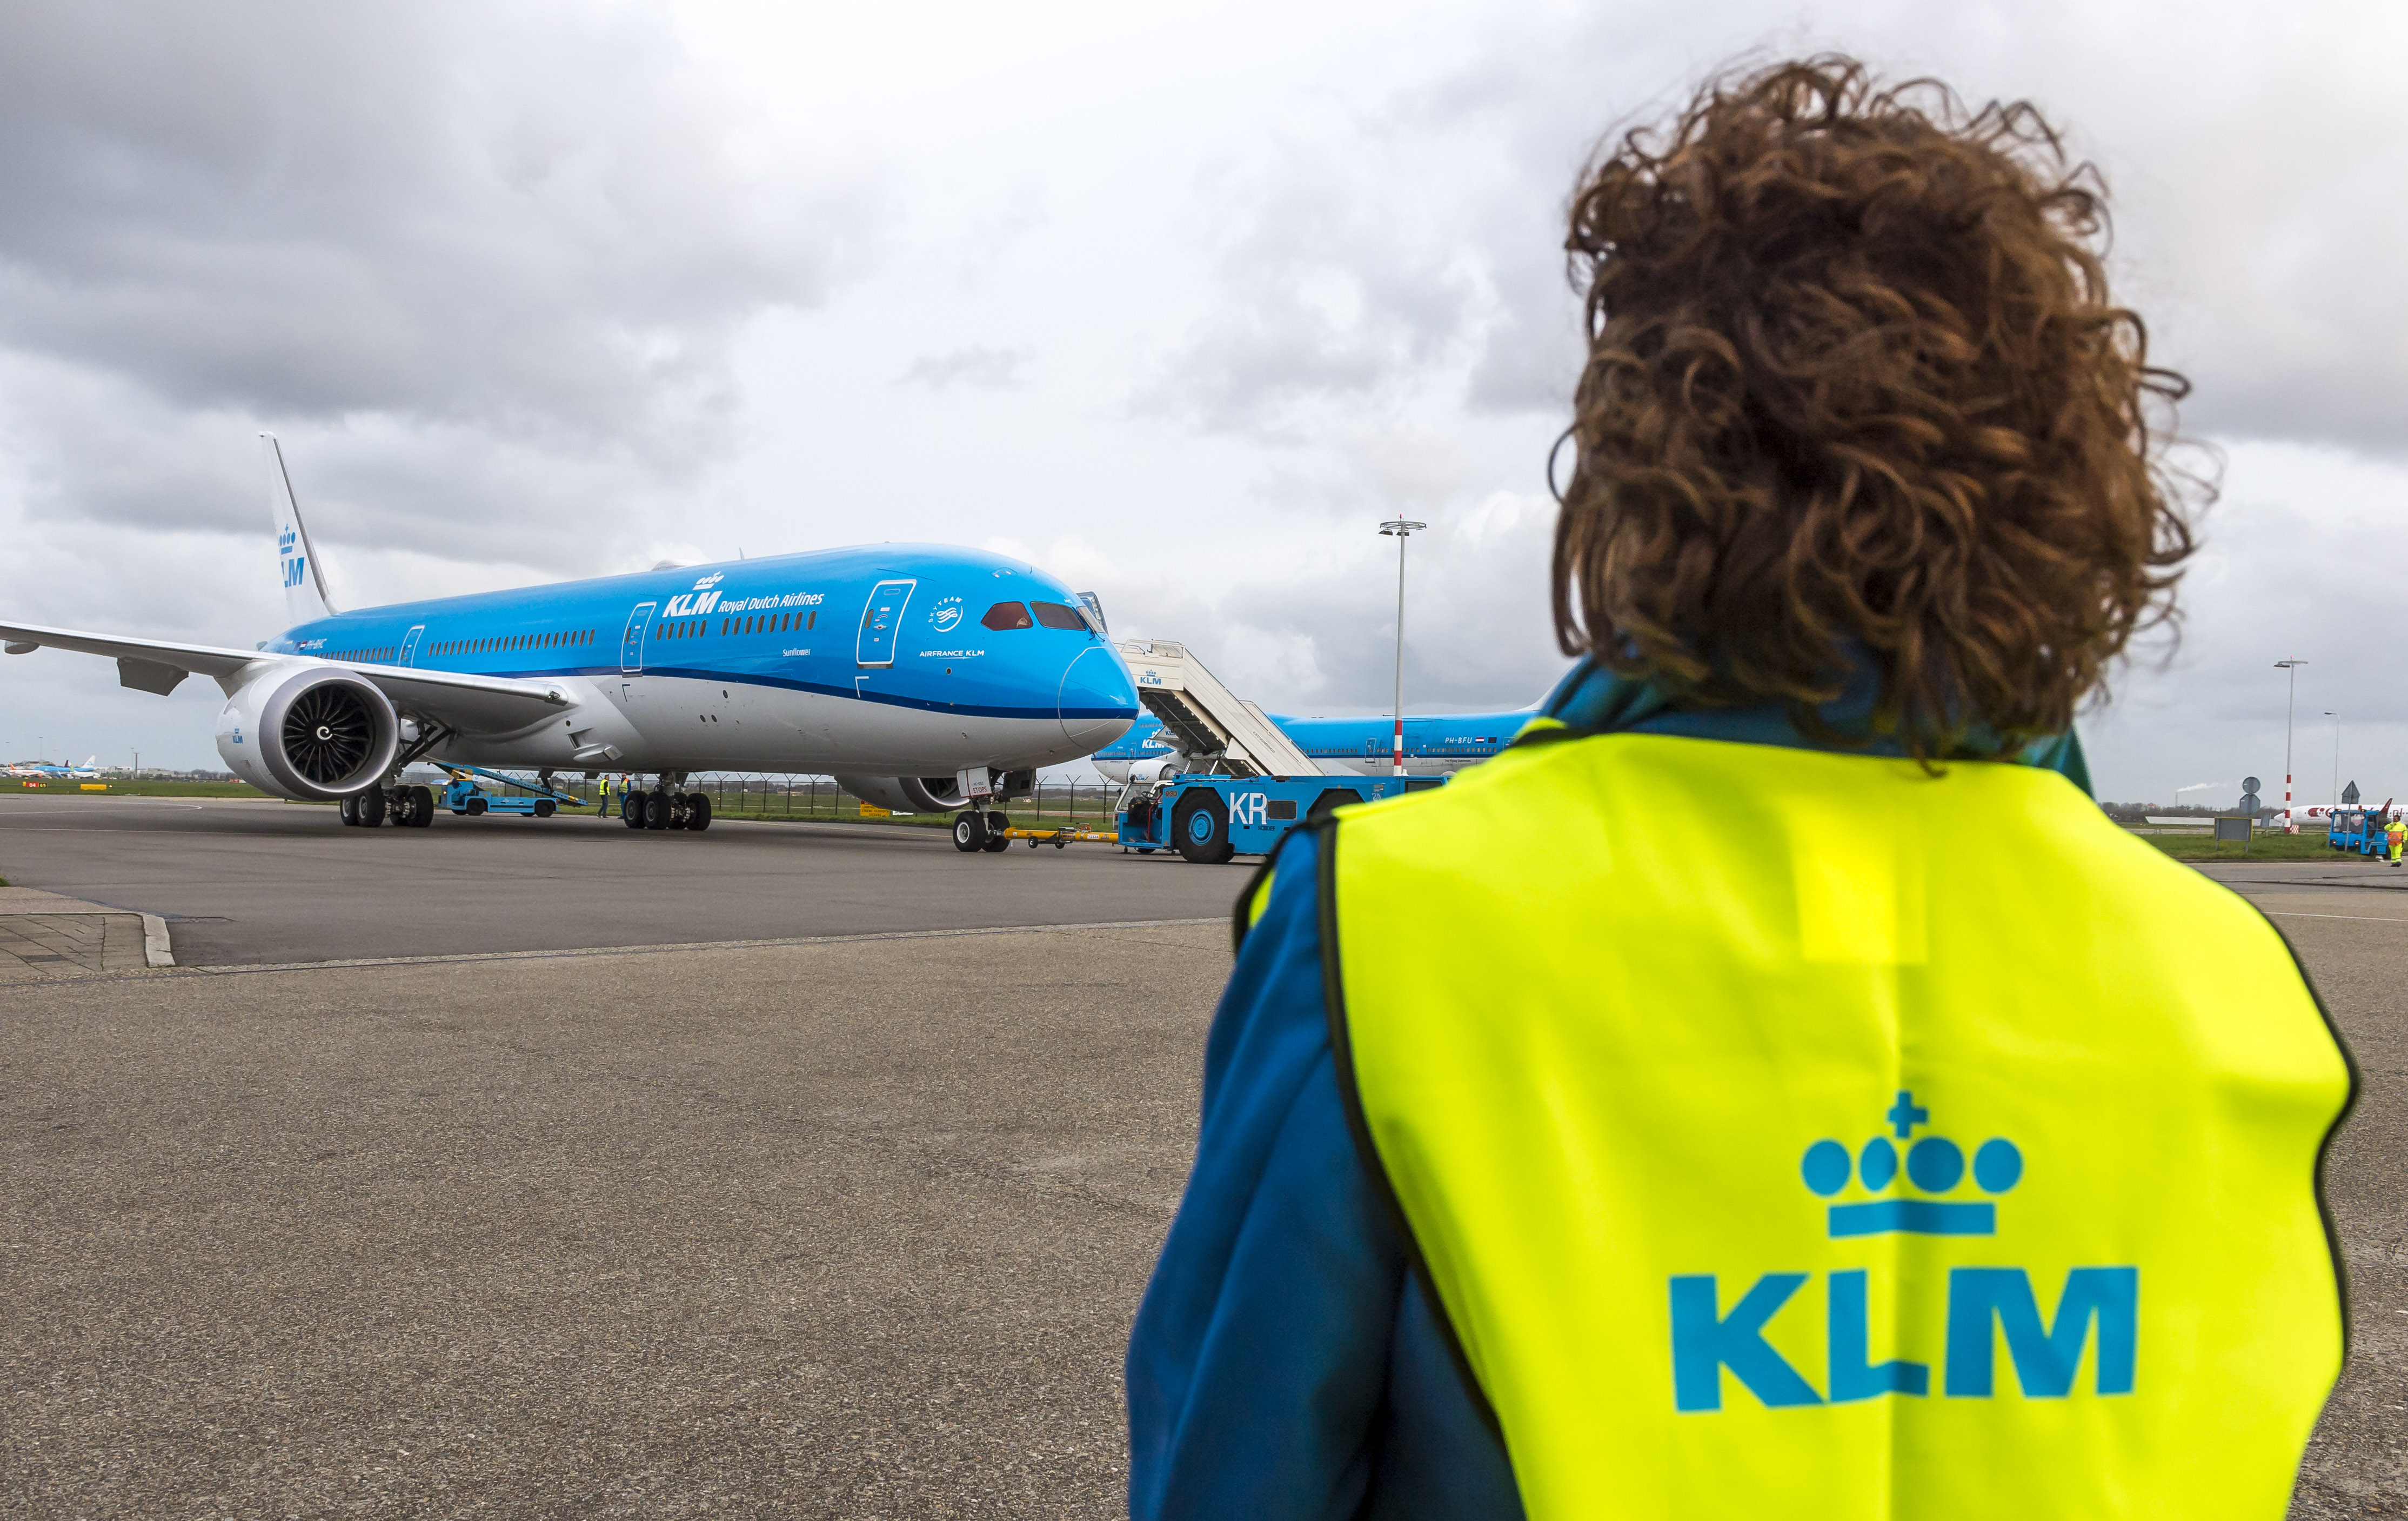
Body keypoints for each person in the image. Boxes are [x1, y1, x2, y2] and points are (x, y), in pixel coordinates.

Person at [1124, 57, 2355, 1520]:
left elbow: (1230, 1474)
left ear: (1635, 478)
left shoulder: (1386, 929)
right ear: (2073, 498)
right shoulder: (2241, 994)